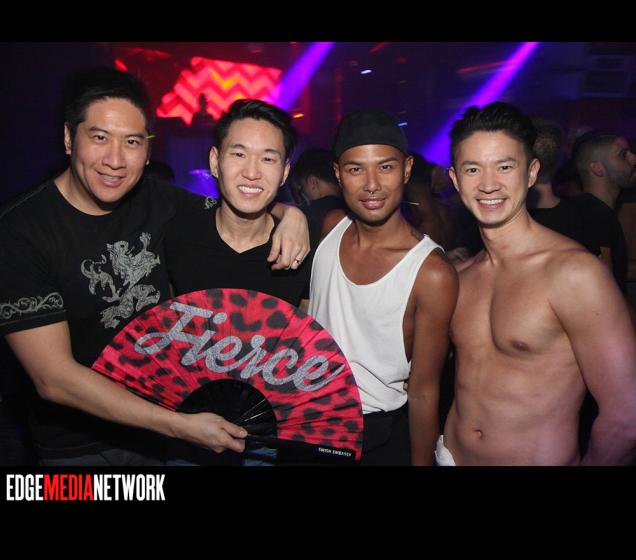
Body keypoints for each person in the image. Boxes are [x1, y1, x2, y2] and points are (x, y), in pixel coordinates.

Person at [0, 67, 309, 466]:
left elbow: (240, 200)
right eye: (99, 137)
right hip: (79, 446)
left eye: (131, 141)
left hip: (160, 434)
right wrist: (178, 426)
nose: (115, 159)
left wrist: (292, 213)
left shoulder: (160, 201)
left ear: (147, 150)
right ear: (68, 138)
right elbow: (53, 378)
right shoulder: (20, 231)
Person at [439, 102, 636, 466]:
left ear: (531, 173)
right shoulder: (461, 276)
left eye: (504, 167)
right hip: (450, 456)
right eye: (472, 169)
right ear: (455, 179)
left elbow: (627, 418)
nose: (488, 184)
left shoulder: (574, 274)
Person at [163, 99, 312, 465]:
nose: (252, 172)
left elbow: (307, 339)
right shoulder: (178, 235)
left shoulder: (301, 253)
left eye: (268, 158)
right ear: (215, 161)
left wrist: (294, 214)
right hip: (182, 428)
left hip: (266, 434)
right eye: (239, 154)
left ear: (285, 172)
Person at [309, 109, 458, 465]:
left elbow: (424, 392)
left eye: (386, 167)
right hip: (304, 421)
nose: (372, 184)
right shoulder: (330, 228)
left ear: (406, 169)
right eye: (355, 169)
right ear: (337, 174)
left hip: (375, 438)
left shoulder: (431, 272)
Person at [569, 131, 636, 295]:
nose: (634, 159)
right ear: (597, 168)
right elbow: (604, 288)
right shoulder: (594, 214)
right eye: (623, 155)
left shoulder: (600, 211)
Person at [289, 148, 348, 249]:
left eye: (302, 187)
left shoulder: (305, 216)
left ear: (312, 182)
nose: (302, 193)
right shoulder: (351, 210)